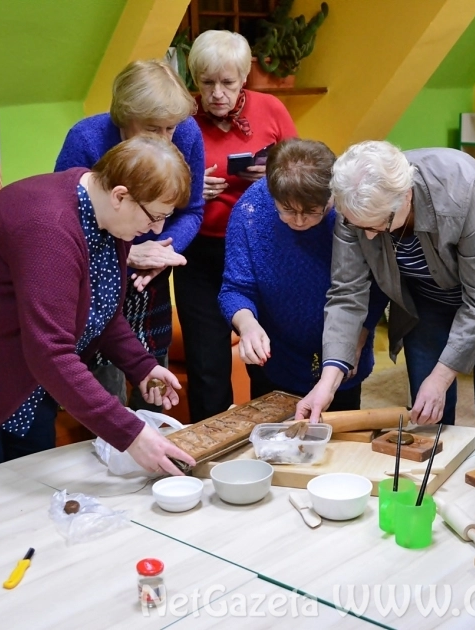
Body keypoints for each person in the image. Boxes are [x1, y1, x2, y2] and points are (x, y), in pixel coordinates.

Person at [0, 136, 197, 498]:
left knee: (31, 483)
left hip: (21, 357)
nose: (157, 230)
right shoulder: (50, 227)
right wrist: (132, 435)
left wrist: (141, 366)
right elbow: (51, 352)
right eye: (154, 216)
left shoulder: (106, 212)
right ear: (121, 195)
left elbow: (99, 307)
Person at [296, 141, 475, 432]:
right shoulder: (352, 204)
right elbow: (346, 293)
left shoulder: (462, 186)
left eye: (377, 226)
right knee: (429, 415)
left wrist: (443, 376)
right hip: (425, 299)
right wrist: (327, 383)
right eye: (359, 227)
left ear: (406, 196)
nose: (368, 237)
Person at [55, 59, 205, 413]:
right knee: (104, 395)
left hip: (149, 279)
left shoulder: (186, 133)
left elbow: (192, 210)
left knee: (154, 385)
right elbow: (69, 223)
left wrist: (165, 250)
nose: (168, 139)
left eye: (172, 128)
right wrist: (130, 253)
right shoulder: (86, 139)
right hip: (94, 283)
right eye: (154, 129)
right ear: (125, 117)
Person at [179, 30, 297, 421]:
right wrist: (191, 189)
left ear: (244, 77)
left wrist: (270, 176)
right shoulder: (180, 118)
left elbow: (302, 173)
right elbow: (159, 186)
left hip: (260, 248)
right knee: (206, 362)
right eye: (206, 83)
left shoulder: (271, 109)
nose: (216, 93)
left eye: (227, 83)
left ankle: (271, 438)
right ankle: (208, 449)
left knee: (264, 353)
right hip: (200, 253)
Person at [218, 138, 387, 404]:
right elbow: (235, 289)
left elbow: (376, 284)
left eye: (311, 212)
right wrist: (248, 326)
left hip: (344, 353)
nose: (298, 221)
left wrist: (359, 336)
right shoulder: (250, 211)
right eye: (286, 210)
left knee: (341, 440)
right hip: (275, 359)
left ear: (331, 195)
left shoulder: (351, 212)